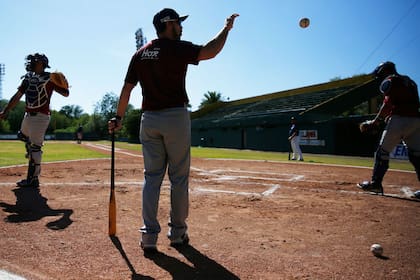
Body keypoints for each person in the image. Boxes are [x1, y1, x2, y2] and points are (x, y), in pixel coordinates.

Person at [108, 8, 239, 252]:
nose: (181, 27)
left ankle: (148, 236)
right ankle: (177, 234)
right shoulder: (177, 48)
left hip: (149, 120)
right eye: (179, 23)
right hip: (175, 118)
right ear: (168, 24)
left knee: (152, 178)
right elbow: (211, 50)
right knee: (178, 178)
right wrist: (226, 29)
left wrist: (118, 118)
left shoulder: (140, 53)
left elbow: (127, 90)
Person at [0, 53, 70, 188]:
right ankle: (32, 153)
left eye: (34, 61)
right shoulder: (28, 78)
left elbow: (66, 94)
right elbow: (18, 95)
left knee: (35, 148)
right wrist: (6, 110)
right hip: (28, 115)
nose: (31, 62)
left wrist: (63, 84)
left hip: (41, 116)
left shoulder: (49, 78)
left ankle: (33, 179)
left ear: (42, 64)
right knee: (22, 136)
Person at [358, 61, 420, 195]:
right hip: (416, 121)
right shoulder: (410, 81)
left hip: (399, 120)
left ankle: (375, 184)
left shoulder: (390, 80)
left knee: (382, 152)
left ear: (384, 71)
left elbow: (387, 104)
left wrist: (376, 121)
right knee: (416, 155)